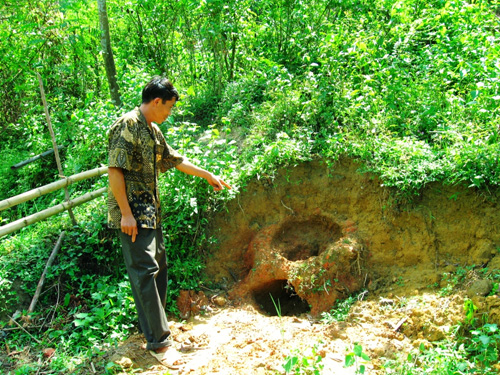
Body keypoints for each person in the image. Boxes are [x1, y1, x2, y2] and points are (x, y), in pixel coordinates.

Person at [107, 76, 231, 368]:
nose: (170, 112)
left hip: (151, 211)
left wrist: (208, 175)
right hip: (133, 215)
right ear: (156, 101)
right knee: (145, 273)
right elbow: (115, 170)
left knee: (158, 270)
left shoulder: (153, 129)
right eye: (169, 107)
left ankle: (154, 330)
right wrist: (126, 213)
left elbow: (174, 160)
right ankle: (160, 345)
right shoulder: (127, 125)